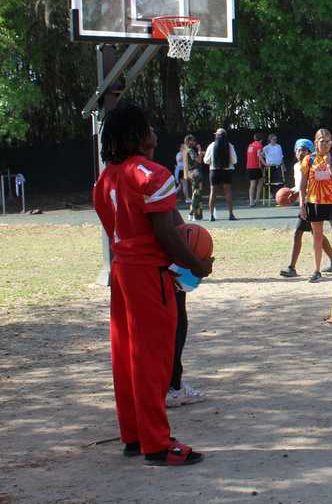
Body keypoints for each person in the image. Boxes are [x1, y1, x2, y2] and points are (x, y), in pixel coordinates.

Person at [93, 102, 211, 466]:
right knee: (153, 359)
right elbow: (167, 235)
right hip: (148, 274)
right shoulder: (152, 174)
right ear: (137, 134)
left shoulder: (105, 178)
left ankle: (134, 435)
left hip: (121, 272)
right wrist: (197, 264)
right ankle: (158, 444)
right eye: (149, 127)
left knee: (126, 355)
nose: (155, 134)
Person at [280, 139, 332, 278]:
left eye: (303, 149)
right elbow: (300, 185)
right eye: (297, 150)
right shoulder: (297, 166)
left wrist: (298, 196)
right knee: (315, 234)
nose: (300, 152)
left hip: (313, 202)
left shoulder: (312, 163)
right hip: (305, 203)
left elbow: (311, 185)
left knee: (300, 233)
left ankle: (292, 267)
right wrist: (291, 192)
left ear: (310, 151)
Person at [298, 129, 332, 283]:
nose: (326, 144)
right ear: (316, 143)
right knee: (317, 237)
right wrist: (302, 205)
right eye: (322, 141)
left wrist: (329, 165)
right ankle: (316, 271)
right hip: (315, 202)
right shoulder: (308, 160)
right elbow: (303, 184)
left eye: (329, 141)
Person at [203, 128, 237, 221]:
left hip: (214, 171)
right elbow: (234, 160)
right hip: (226, 171)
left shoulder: (212, 145)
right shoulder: (229, 146)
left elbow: (206, 161)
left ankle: (211, 216)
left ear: (217, 136)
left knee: (213, 192)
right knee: (228, 192)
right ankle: (231, 215)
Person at [246, 132, 265, 207]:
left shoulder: (250, 145)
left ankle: (252, 201)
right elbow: (259, 155)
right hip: (256, 167)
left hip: (249, 167)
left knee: (253, 183)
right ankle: (256, 199)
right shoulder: (259, 145)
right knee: (260, 181)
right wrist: (265, 163)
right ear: (261, 140)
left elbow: (255, 154)